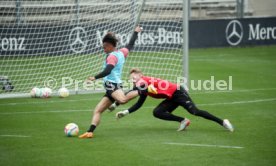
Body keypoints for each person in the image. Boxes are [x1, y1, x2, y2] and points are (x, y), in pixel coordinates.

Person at [114, 68, 234, 132]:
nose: (133, 80)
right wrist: (124, 112)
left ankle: (223, 122)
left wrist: (116, 103)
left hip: (178, 92)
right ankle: (183, 121)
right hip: (171, 97)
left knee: (195, 112)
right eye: (131, 79)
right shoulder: (143, 86)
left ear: (140, 75)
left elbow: (130, 95)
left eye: (134, 78)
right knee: (157, 112)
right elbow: (139, 104)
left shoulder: (143, 82)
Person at [79, 26, 143, 138]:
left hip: (113, 85)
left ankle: (143, 89)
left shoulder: (112, 57)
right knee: (98, 110)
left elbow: (108, 70)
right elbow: (130, 45)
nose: (103, 49)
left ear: (109, 46)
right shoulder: (122, 52)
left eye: (104, 47)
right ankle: (90, 132)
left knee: (122, 100)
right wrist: (135, 32)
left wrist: (94, 77)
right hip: (110, 88)